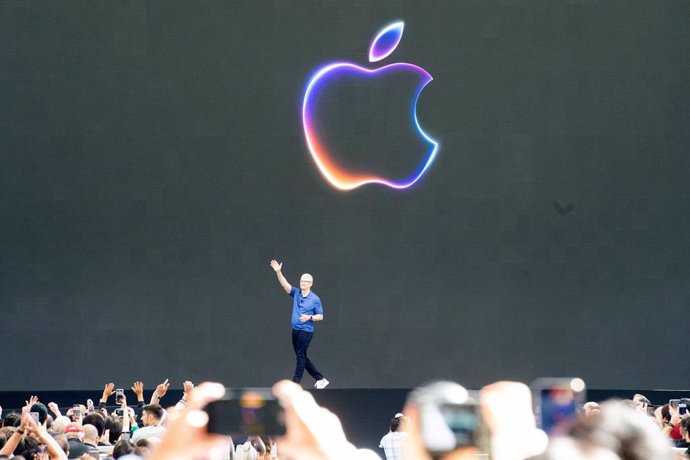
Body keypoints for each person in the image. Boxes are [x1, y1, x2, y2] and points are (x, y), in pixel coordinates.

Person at [270, 259, 329, 389]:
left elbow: (321, 316)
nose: (303, 283)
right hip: (295, 330)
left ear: (311, 283)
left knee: (300, 356)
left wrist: (309, 317)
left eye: (306, 281)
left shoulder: (315, 299)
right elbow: (285, 284)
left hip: (306, 331)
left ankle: (294, 384)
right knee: (301, 356)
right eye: (301, 281)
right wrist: (278, 272)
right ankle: (320, 379)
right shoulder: (296, 293)